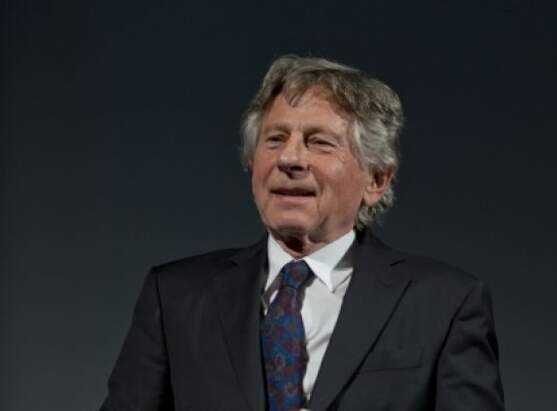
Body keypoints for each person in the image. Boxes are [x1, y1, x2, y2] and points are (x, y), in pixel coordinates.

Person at [101, 55, 505, 411]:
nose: (289, 158)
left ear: (376, 180)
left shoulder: (444, 304)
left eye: (319, 142)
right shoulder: (175, 296)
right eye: (275, 139)